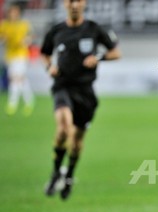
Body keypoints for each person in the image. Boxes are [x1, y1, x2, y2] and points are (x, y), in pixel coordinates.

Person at [41, 0, 121, 200]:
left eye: (78, 1)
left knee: (76, 142)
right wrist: (49, 66)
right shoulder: (56, 31)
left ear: (84, 3)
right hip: (62, 87)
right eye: (70, 1)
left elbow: (115, 52)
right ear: (65, 4)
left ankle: (68, 176)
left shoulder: (94, 29)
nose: (74, 5)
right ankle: (55, 172)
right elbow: (44, 53)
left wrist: (99, 58)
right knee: (63, 129)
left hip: (85, 93)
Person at [0, 3, 35, 116]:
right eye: (11, 12)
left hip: (21, 55)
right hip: (10, 56)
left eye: (15, 12)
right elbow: (2, 38)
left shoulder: (23, 24)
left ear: (18, 13)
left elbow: (31, 36)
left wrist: (26, 40)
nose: (13, 14)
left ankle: (12, 103)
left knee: (16, 79)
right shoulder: (4, 25)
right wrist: (4, 39)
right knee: (21, 80)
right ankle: (29, 101)